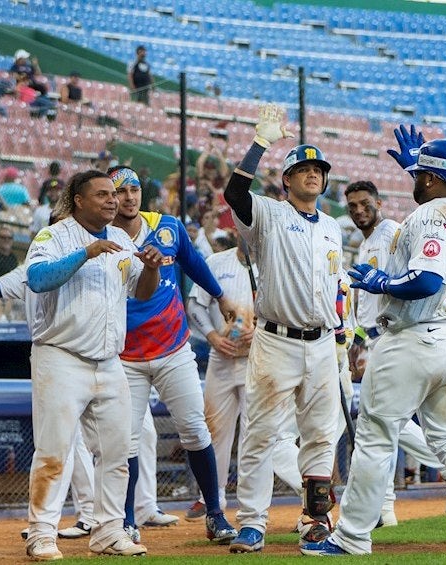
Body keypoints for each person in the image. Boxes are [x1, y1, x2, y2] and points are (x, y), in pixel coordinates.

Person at [309, 137, 446, 556]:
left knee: (375, 435)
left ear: (428, 177)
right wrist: (419, 167)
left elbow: (426, 279)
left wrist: (379, 282)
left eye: (420, 173)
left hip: (418, 338)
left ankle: (350, 537)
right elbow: (444, 200)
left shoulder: (427, 215)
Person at [221, 104, 345, 554]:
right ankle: (252, 523)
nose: (313, 174)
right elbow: (234, 194)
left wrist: (343, 337)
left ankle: (316, 521)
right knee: (260, 432)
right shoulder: (269, 214)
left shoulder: (332, 227)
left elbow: (335, 288)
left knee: (320, 434)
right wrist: (261, 143)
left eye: (319, 170)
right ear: (287, 179)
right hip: (277, 340)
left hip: (323, 342)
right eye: (303, 169)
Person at [23, 170, 161, 560]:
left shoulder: (119, 238)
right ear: (79, 200)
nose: (112, 200)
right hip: (61, 356)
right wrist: (84, 253)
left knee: (118, 452)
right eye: (101, 194)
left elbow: (141, 292)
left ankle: (108, 531)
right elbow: (37, 278)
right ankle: (41, 533)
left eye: (113, 194)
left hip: (109, 361)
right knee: (53, 451)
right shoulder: (55, 235)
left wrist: (151, 268)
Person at [107, 166, 237, 545]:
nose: (128, 197)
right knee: (125, 442)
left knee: (196, 430)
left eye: (133, 189)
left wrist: (220, 296)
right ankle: (126, 521)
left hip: (173, 348)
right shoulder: (101, 237)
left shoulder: (167, 226)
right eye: (120, 191)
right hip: (125, 355)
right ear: (109, 198)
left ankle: (214, 513)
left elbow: (194, 263)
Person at [344, 179, 446, 525]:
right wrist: (357, 337)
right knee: (380, 424)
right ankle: (383, 508)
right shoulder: (366, 242)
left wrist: (376, 333)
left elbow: (399, 281)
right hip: (371, 336)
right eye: (352, 205)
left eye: (364, 203)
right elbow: (364, 299)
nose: (358, 210)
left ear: (379, 202)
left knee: (387, 423)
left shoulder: (389, 232)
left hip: (393, 333)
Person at [184, 240, 304, 520]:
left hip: (261, 360)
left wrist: (263, 331)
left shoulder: (277, 263)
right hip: (222, 357)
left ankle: (256, 506)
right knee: (214, 430)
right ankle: (211, 499)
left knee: (259, 434)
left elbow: (290, 310)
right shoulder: (216, 262)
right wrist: (212, 337)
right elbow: (195, 305)